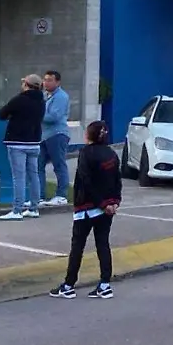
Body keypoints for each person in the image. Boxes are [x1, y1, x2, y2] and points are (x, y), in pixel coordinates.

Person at [51, 120, 122, 300]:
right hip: (107, 209)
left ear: (89, 135)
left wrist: (101, 203)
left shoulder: (85, 153)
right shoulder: (112, 154)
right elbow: (117, 180)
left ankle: (68, 285)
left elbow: (86, 180)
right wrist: (114, 202)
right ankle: (105, 284)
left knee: (78, 246)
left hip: (86, 208)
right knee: (103, 244)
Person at [0, 74, 46, 221]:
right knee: (33, 175)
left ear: (26, 85)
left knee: (18, 177)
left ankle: (17, 210)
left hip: (17, 142)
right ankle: (34, 208)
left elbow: (1, 114)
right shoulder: (41, 100)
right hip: (34, 142)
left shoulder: (19, 99)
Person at [38, 70, 71, 207]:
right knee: (38, 165)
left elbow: (54, 117)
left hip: (57, 134)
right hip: (43, 136)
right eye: (45, 80)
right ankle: (39, 196)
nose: (46, 83)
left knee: (59, 165)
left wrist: (36, 114)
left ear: (58, 82)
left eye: (50, 80)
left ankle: (61, 195)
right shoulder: (44, 95)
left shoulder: (61, 96)